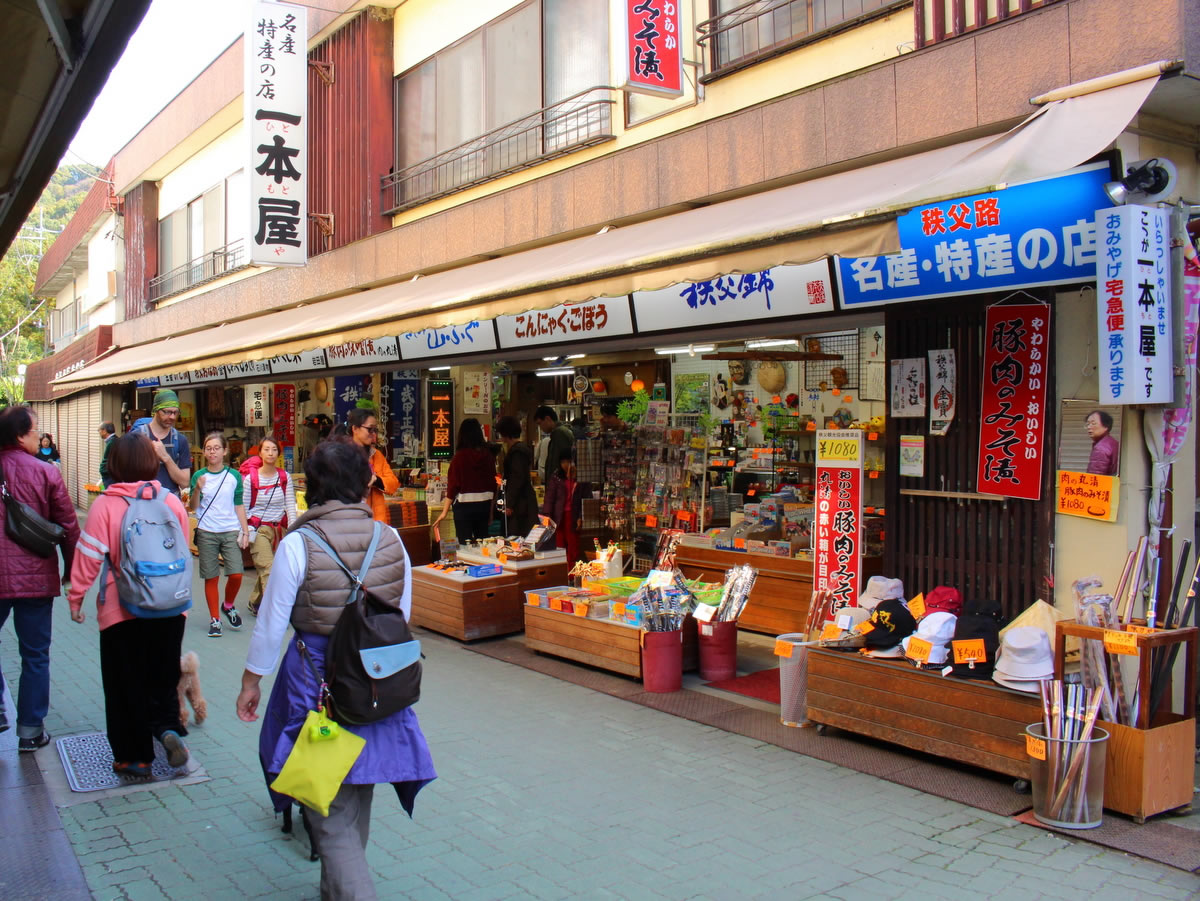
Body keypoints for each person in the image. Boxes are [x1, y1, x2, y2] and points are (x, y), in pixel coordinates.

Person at [236, 440, 436, 900]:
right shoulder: (391, 539)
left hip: (319, 686)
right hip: (378, 682)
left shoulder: (298, 544)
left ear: (314, 489)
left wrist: (251, 682)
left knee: (329, 809)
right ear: (363, 484)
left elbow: (271, 622)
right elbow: (398, 616)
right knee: (355, 786)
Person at [68, 432, 191, 778]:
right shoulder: (170, 502)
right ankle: (167, 729)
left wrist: (76, 598)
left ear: (115, 464)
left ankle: (134, 757)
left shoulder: (106, 505)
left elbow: (89, 557)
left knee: (125, 685)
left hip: (122, 610)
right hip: (170, 609)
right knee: (163, 677)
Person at [0, 405, 80, 749]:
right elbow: (69, 527)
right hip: (35, 577)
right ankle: (30, 730)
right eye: (35, 431)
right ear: (21, 435)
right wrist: (71, 570)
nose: (39, 436)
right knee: (35, 654)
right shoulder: (47, 473)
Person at [189, 432, 250, 638]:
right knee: (211, 577)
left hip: (230, 530)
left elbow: (239, 504)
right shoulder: (199, 476)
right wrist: (196, 490)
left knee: (236, 574)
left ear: (224, 451)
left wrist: (245, 530)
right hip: (207, 531)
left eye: (216, 448)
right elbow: (193, 507)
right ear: (204, 452)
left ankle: (228, 604)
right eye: (208, 448)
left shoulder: (233, 476)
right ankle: (215, 619)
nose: (212, 451)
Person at [243, 436, 296, 617]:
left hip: (280, 529)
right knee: (269, 568)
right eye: (266, 449)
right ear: (260, 453)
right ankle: (274, 611)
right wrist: (245, 530)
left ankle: (255, 601)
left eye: (274, 449)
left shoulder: (284, 477)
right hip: (259, 531)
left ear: (278, 454)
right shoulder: (251, 479)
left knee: (273, 568)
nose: (270, 453)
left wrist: (293, 530)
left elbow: (290, 505)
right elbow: (243, 507)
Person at [431, 418, 495, 543]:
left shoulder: (459, 457)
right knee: (483, 542)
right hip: (484, 506)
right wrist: (491, 511)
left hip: (464, 507)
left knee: (465, 543)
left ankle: (467, 562)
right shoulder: (488, 456)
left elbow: (453, 486)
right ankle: (484, 562)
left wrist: (444, 512)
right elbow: (493, 485)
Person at [332, 407, 398, 523]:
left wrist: (377, 480)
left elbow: (393, 483)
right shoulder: (342, 454)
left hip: (375, 521)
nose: (373, 434)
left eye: (375, 430)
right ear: (355, 429)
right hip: (349, 520)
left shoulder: (376, 455)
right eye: (369, 429)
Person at [133, 389, 191, 497]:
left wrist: (166, 457)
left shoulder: (180, 440)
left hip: (170, 504)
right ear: (156, 410)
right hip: (143, 503)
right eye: (167, 412)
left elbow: (184, 482)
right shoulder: (137, 437)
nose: (172, 417)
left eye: (175, 412)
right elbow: (127, 477)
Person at [541, 447, 588, 566]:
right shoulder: (556, 477)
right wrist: (547, 516)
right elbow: (549, 498)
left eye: (568, 461)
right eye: (563, 462)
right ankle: (562, 572)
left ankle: (571, 574)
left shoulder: (581, 477)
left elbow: (586, 499)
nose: (565, 465)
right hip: (559, 517)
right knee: (560, 547)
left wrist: (581, 516)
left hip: (573, 516)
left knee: (573, 547)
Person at [496, 416, 537, 537]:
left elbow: (516, 479)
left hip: (520, 504)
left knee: (516, 537)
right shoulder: (521, 449)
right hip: (523, 501)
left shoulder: (517, 452)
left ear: (506, 433)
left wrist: (509, 504)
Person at [533, 405, 573, 487]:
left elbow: (561, 463)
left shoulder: (560, 434)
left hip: (560, 487)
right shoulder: (557, 433)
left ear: (548, 419)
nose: (540, 427)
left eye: (540, 423)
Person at [1085, 409, 1120, 476]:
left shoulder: (1100, 448)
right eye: (1088, 424)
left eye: (1093, 423)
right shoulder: (1113, 443)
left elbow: (1094, 478)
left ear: (1105, 426)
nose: (1089, 427)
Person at [98, 421, 116, 487]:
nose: (99, 432)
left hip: (110, 478)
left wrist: (103, 470)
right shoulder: (113, 441)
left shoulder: (112, 442)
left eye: (99, 430)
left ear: (104, 431)